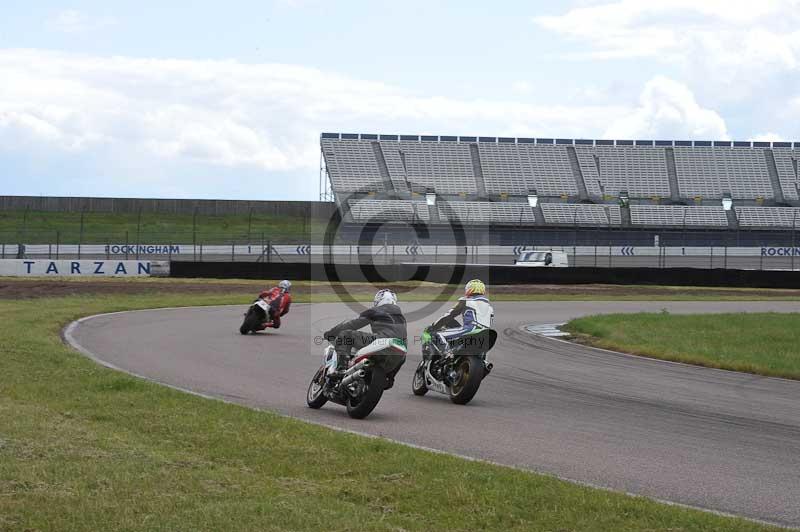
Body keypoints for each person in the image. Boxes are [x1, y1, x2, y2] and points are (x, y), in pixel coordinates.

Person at [323, 289, 407, 388]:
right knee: (402, 355)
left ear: (378, 300)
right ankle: (389, 378)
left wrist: (331, 333)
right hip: (399, 348)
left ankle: (341, 367)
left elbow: (353, 324)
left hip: (381, 339)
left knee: (346, 335)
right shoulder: (401, 317)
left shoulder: (375, 311)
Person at [430, 279, 493, 355]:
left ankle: (448, 354)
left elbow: (449, 315)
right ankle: (484, 362)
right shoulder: (490, 308)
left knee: (437, 335)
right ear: (483, 290)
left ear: (468, 289)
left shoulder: (465, 301)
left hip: (470, 331)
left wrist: (434, 326)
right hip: (486, 335)